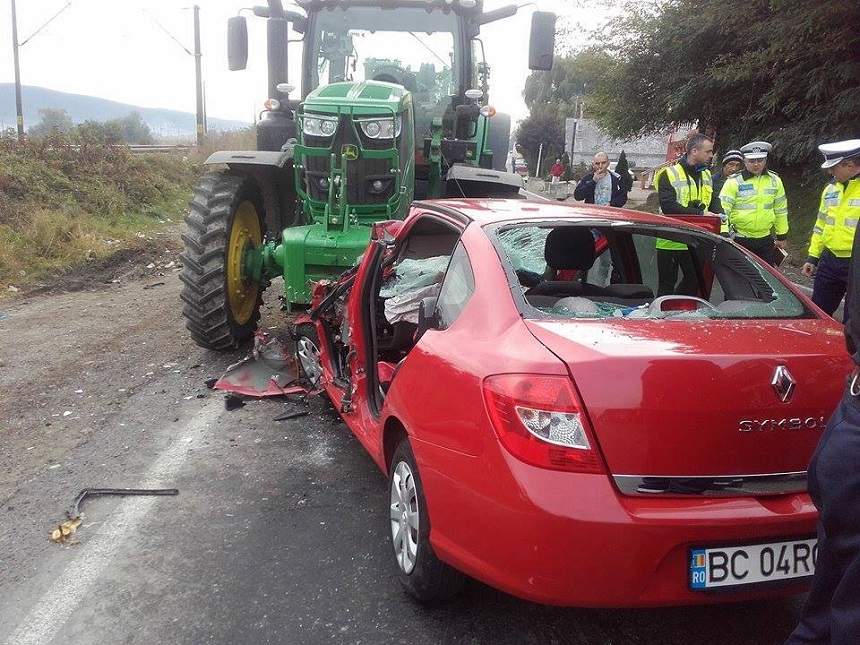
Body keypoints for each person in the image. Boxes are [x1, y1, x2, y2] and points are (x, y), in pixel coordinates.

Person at [784, 141, 860, 645]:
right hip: (852, 412)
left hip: (852, 414)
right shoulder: (838, 194)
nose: (833, 172)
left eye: (839, 164)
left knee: (838, 553)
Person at [654, 133, 719, 296]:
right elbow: (668, 206)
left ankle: (677, 309)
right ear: (694, 151)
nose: (711, 155)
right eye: (708, 152)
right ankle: (662, 316)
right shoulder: (668, 174)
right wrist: (701, 214)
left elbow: (713, 202)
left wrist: (720, 220)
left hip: (696, 238)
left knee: (694, 280)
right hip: (671, 238)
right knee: (666, 285)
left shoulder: (706, 174)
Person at [802, 139, 860, 319]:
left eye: (834, 167)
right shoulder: (830, 190)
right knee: (817, 312)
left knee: (853, 318)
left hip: (855, 261)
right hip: (829, 260)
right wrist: (813, 257)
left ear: (850, 165)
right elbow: (821, 225)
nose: (830, 171)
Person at [719, 141, 789, 266]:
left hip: (765, 240)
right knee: (740, 279)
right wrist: (724, 234)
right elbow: (723, 210)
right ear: (744, 161)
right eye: (751, 161)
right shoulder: (734, 182)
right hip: (740, 239)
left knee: (763, 281)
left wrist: (782, 236)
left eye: (760, 160)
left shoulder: (775, 181)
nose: (756, 164)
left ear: (765, 160)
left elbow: (781, 210)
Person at [711, 149, 744, 213]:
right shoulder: (712, 180)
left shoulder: (742, 181)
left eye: (737, 165)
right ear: (724, 164)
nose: (734, 168)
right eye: (731, 164)